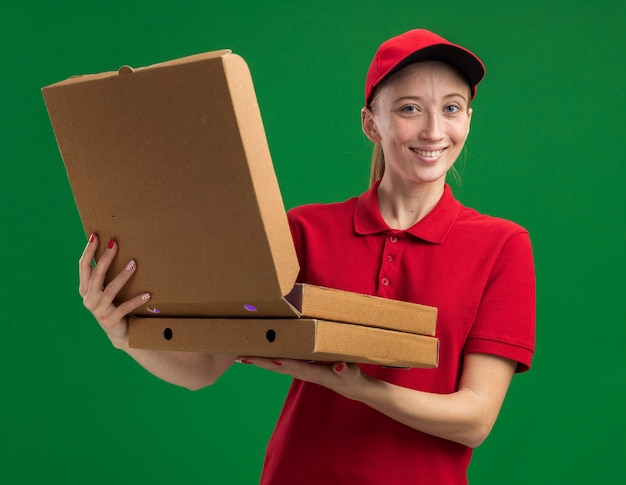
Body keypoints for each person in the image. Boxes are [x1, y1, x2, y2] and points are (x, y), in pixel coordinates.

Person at [79, 29, 535, 484]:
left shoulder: (502, 245)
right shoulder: (304, 232)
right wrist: (121, 333)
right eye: (409, 108)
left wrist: (359, 388)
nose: (434, 130)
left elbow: (474, 419)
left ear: (468, 119)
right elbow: (202, 368)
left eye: (451, 108)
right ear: (370, 123)